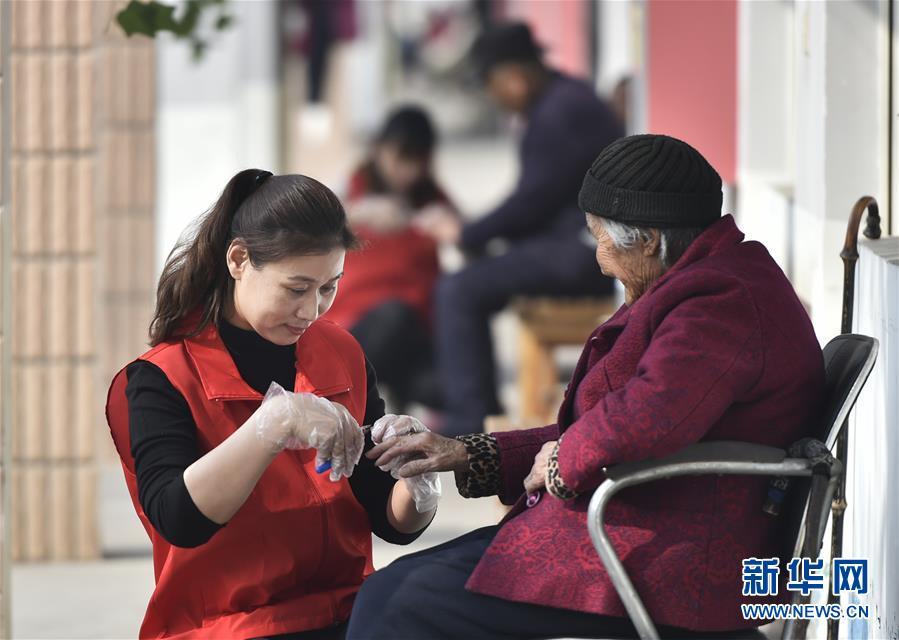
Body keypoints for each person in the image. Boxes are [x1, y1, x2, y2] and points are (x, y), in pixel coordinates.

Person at [344, 135, 826, 639]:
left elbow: (645, 417)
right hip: (640, 528)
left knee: (404, 605)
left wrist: (559, 463)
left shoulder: (720, 302)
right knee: (390, 592)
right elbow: (598, 425)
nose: (599, 260)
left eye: (602, 239)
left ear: (649, 241)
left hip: (670, 561)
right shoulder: (703, 280)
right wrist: (464, 452)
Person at [105, 169, 439, 640]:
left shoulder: (342, 353)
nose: (313, 310)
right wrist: (272, 425)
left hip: (347, 613)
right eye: (296, 288)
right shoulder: (162, 378)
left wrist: (417, 486)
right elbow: (177, 518)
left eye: (329, 287)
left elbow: (388, 518)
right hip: (226, 627)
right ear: (239, 260)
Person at [414, 21, 624, 436]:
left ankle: (470, 418)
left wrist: (466, 233)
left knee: (459, 289)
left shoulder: (560, 113)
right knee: (472, 278)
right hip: (578, 245)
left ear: (514, 75)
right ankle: (476, 408)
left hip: (587, 254)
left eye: (492, 84)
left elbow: (530, 203)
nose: (493, 96)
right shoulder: (563, 100)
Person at [326, 106, 455, 412]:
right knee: (395, 316)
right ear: (378, 150)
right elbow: (299, 225)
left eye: (417, 162)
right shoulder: (351, 191)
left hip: (415, 334)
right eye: (400, 159)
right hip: (359, 326)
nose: (408, 172)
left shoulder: (431, 199)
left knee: (449, 385)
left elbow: (470, 241)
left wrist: (453, 231)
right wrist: (354, 213)